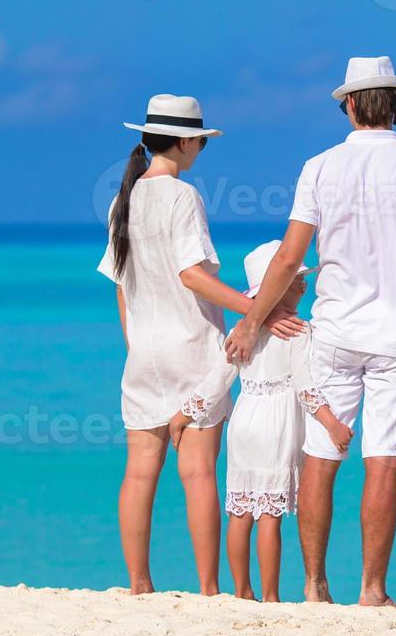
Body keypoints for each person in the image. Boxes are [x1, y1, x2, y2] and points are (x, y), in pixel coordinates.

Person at [225, 57, 396, 609]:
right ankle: (372, 591)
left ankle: (313, 586)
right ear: (395, 104)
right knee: (384, 460)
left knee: (320, 458)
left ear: (350, 104)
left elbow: (288, 256)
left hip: (333, 334)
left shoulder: (320, 167)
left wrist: (253, 320)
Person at [99, 94, 304, 596]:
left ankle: (139, 585)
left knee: (139, 475)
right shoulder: (182, 196)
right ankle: (210, 590)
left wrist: (134, 347)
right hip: (190, 346)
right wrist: (258, 311)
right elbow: (191, 275)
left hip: (142, 352)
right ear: (187, 141)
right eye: (200, 142)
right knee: (197, 476)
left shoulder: (120, 200)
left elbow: (122, 286)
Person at [221, 239, 353, 602]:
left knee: (240, 509)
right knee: (269, 515)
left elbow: (219, 377)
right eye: (295, 280)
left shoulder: (241, 329)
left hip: (244, 421)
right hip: (274, 428)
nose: (304, 284)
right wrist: (332, 424)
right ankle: (270, 596)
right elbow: (304, 386)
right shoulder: (298, 330)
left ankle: (241, 591)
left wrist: (187, 411)